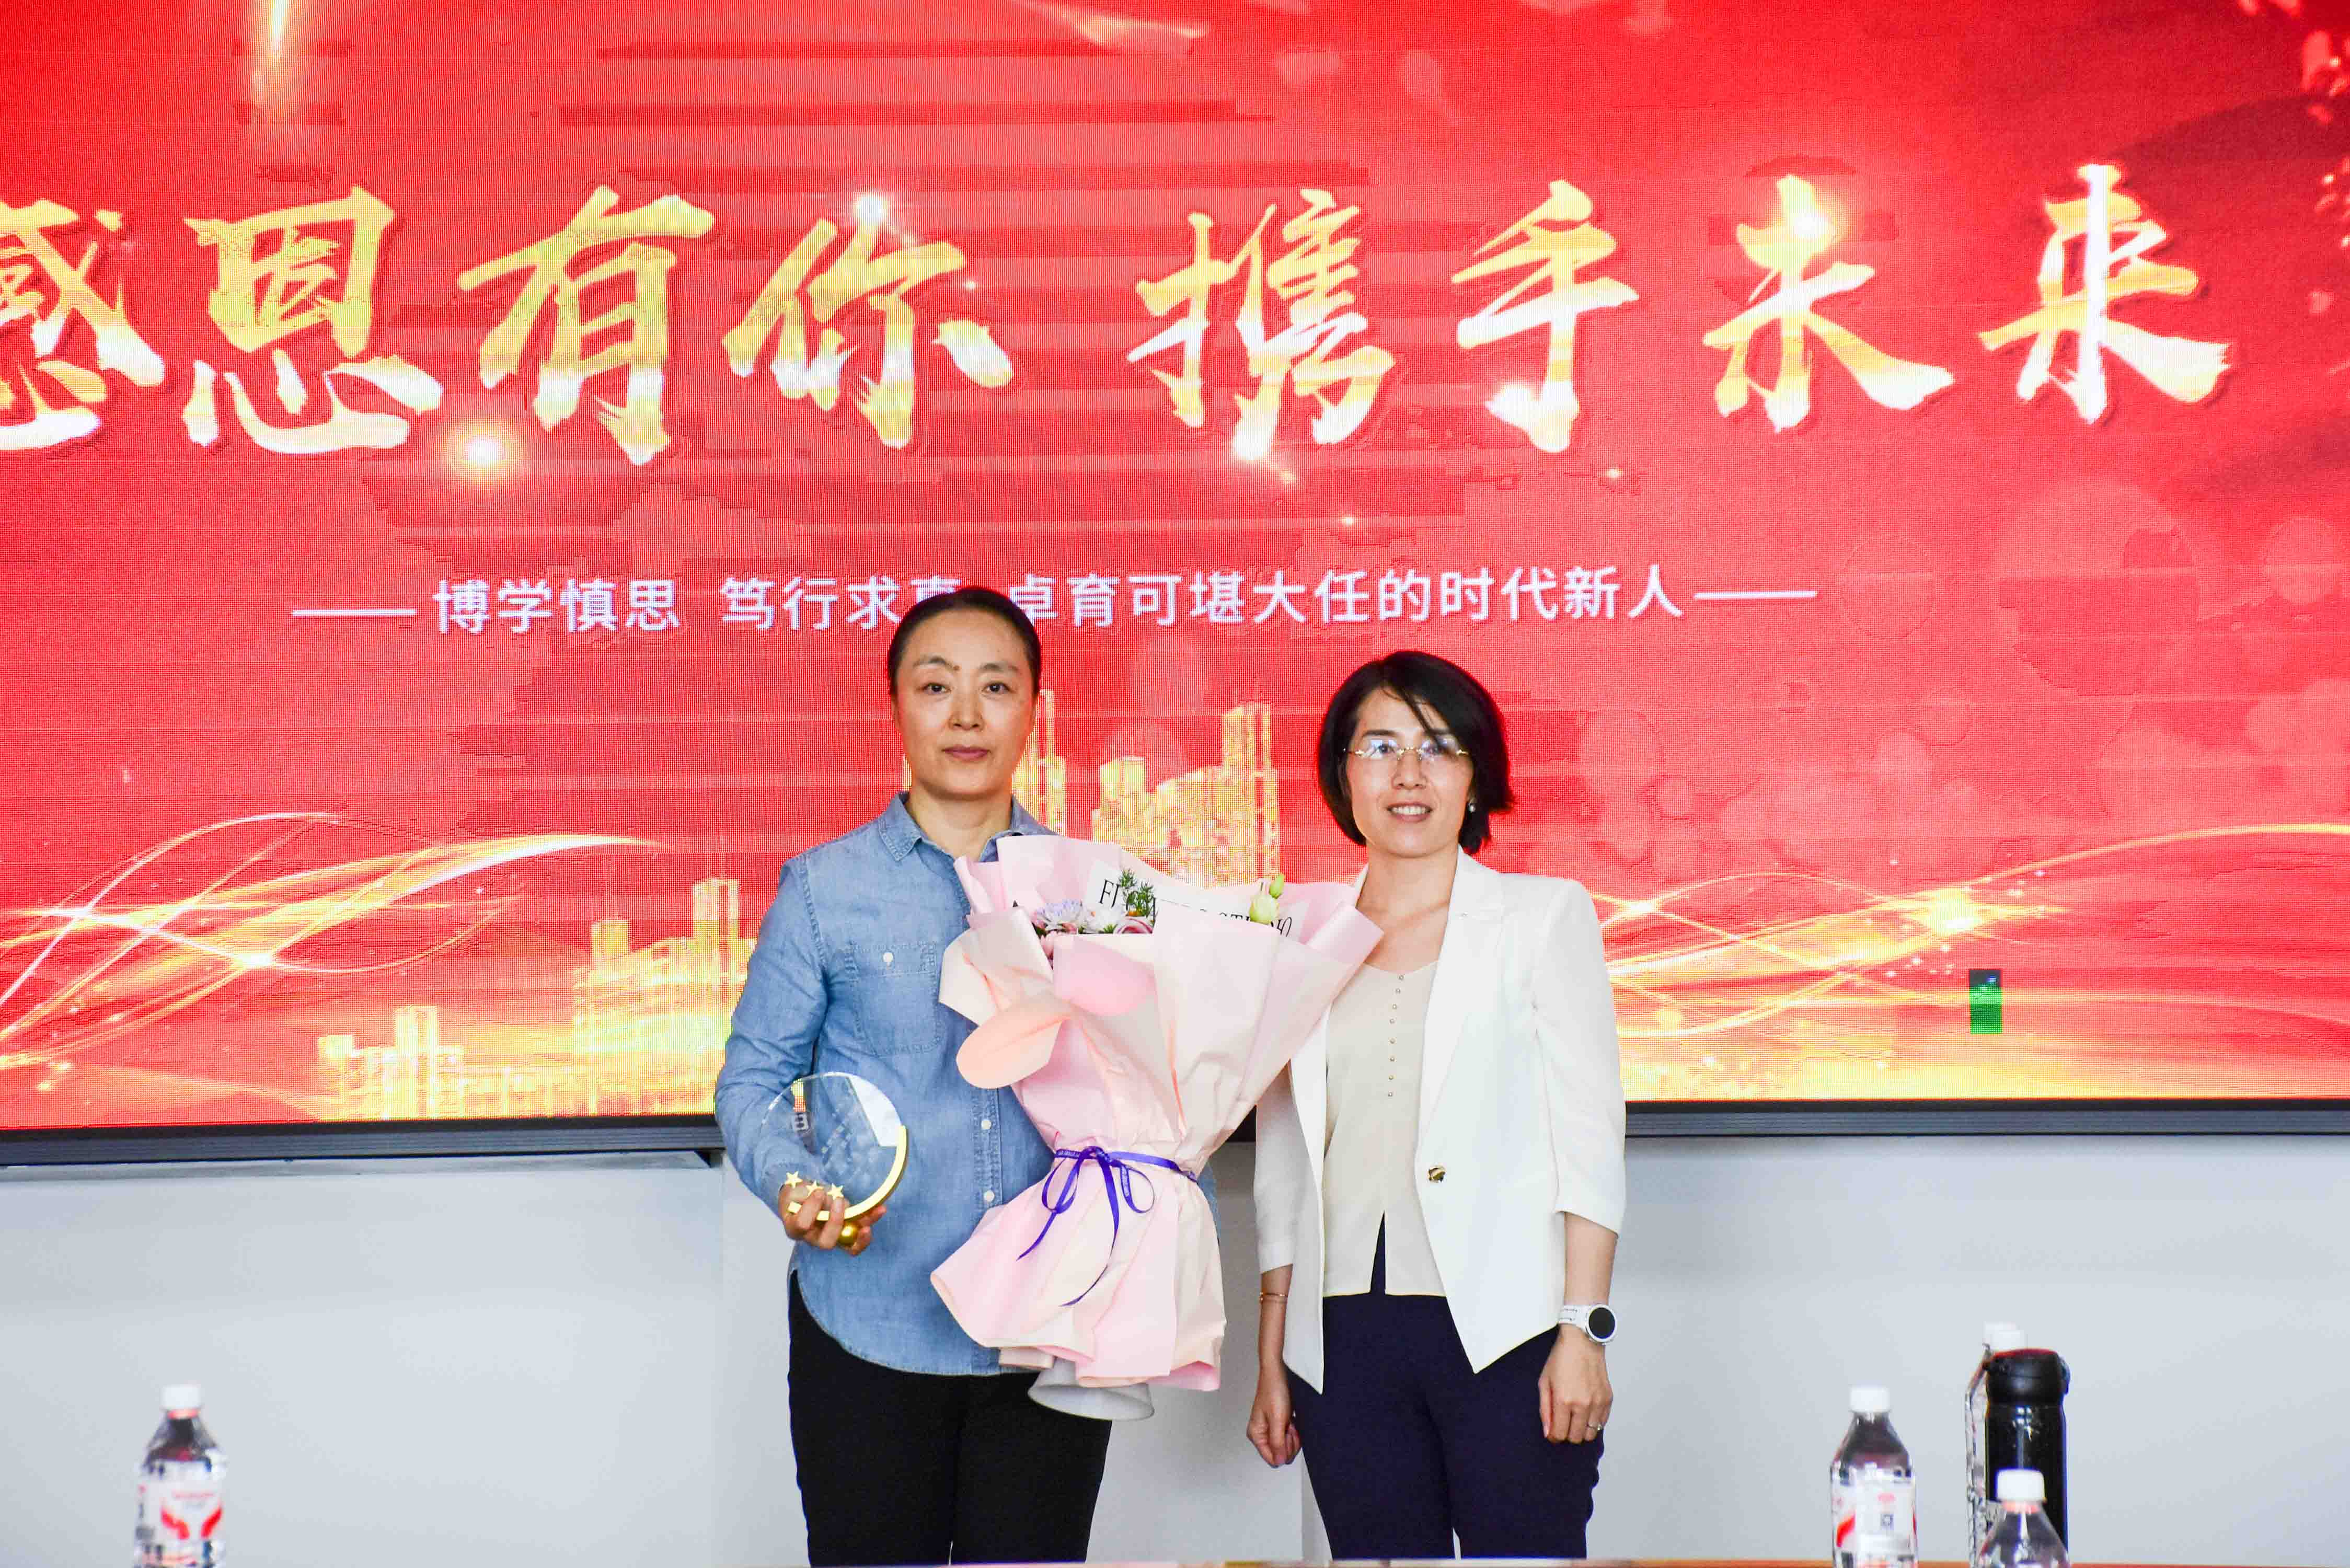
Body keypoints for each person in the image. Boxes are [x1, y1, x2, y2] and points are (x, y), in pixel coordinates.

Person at [715, 587, 1112, 1567]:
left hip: (1045, 1328)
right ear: (895, 705)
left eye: (996, 688)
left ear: (1034, 710)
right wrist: (794, 1182)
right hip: (870, 1319)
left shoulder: (1097, 891)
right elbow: (754, 1080)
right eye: (937, 687)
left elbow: (1149, 1082)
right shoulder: (825, 888)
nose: (966, 715)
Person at [1245, 650, 1628, 1559]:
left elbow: (1590, 1138)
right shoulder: (1300, 934)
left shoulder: (1542, 917)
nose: (1408, 774)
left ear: (1476, 777)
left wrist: (1583, 1330)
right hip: (1341, 1340)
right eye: (1380, 747)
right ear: (1344, 773)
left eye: (1439, 747)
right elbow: (1284, 1166)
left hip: (1506, 1331)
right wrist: (1273, 1355)